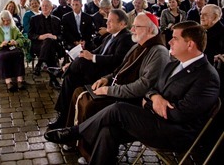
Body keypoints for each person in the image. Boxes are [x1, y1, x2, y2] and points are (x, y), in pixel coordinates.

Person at [44, 21, 220, 165]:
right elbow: (151, 89)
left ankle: (75, 132)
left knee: (119, 108)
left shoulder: (207, 76)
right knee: (108, 130)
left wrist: (150, 101)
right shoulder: (174, 64)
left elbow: (179, 114)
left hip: (176, 133)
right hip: (153, 119)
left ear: (190, 44)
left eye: (175, 38)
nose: (169, 42)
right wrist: (154, 97)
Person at [65, 13, 169, 160]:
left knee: (89, 104)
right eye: (133, 26)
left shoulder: (159, 52)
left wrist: (109, 90)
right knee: (78, 92)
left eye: (137, 27)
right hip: (117, 88)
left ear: (151, 30)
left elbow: (143, 86)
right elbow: (120, 69)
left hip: (132, 100)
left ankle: (89, 152)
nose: (132, 30)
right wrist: (106, 79)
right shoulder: (138, 46)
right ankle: (73, 141)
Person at [48, 9, 134, 129]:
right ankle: (63, 117)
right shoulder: (110, 37)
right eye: (107, 21)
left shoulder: (126, 38)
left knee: (82, 62)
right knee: (69, 79)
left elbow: (117, 60)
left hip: (106, 76)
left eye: (111, 21)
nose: (107, 24)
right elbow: (95, 51)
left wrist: (91, 57)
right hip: (95, 70)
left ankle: (60, 71)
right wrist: (83, 55)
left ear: (122, 24)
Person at [0, 10, 26, 92]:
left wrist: (16, 42)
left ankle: (20, 79)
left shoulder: (13, 27)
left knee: (19, 54)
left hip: (12, 46)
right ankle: (8, 81)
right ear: (0, 20)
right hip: (1, 48)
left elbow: (22, 38)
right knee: (3, 57)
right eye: (4, 20)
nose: (6, 22)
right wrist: (0, 44)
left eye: (8, 20)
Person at [29, 0, 63, 89]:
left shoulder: (57, 20)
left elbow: (61, 35)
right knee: (49, 48)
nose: (44, 7)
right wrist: (41, 37)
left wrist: (54, 37)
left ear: (51, 8)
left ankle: (39, 64)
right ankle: (53, 80)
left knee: (49, 43)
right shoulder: (34, 19)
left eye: (47, 5)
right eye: (43, 5)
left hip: (54, 45)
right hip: (38, 45)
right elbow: (30, 35)